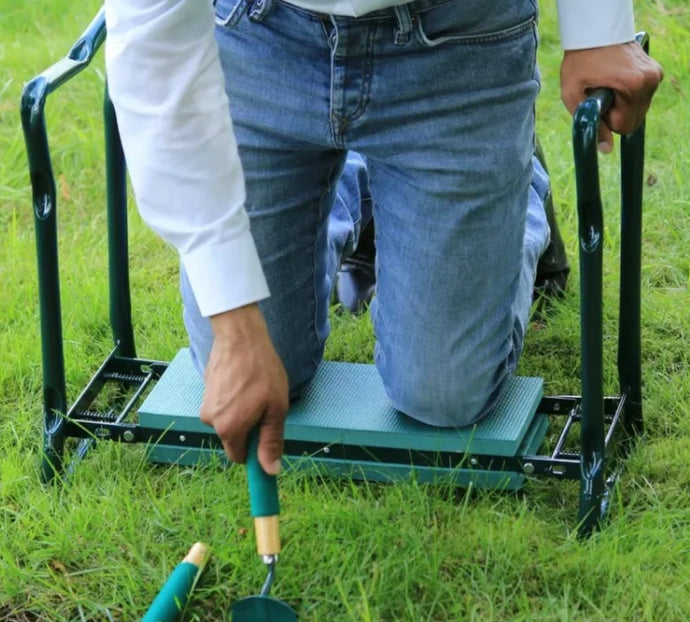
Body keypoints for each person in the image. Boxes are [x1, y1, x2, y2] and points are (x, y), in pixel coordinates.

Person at [104, 0, 662, 476]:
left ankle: (517, 190)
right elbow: (152, 53)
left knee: (444, 396)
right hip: (258, 35)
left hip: (456, 40)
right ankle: (366, 181)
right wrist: (235, 324)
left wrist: (599, 28)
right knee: (248, 366)